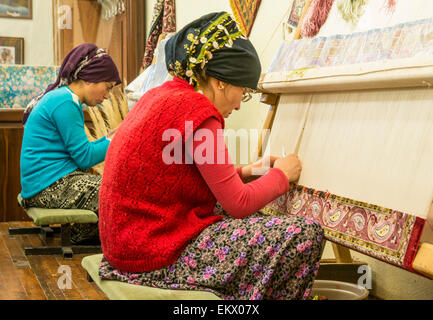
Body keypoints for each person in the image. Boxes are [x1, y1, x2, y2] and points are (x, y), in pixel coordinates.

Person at [98, 12, 324, 300]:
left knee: (242, 217)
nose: (240, 105)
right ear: (220, 82)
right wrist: (282, 175)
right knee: (304, 234)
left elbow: (182, 173)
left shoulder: (162, 96)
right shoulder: (198, 113)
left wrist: (246, 172)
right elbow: (239, 203)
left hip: (126, 248)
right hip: (153, 257)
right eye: (243, 92)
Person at [20, 43, 121, 244]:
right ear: (90, 78)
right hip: (48, 187)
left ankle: (83, 235)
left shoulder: (63, 98)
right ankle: (83, 237)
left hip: (45, 183)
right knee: (115, 189)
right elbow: (85, 158)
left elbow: (82, 152)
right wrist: (117, 139)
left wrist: (109, 138)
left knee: (112, 187)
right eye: (107, 87)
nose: (107, 96)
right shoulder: (66, 102)